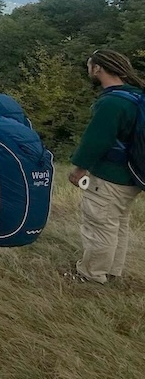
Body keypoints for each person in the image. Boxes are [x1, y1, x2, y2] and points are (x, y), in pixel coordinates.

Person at [68, 49, 144, 284]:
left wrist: (79, 169)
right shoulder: (137, 95)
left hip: (112, 175)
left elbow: (97, 140)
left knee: (99, 224)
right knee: (117, 223)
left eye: (90, 65)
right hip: (133, 175)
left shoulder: (113, 102)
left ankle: (91, 275)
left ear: (98, 68)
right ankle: (111, 270)